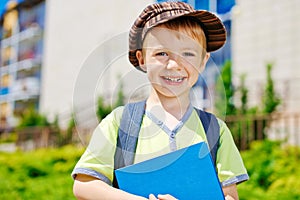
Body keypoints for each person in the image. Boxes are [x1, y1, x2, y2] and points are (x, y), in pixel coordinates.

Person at [72, 2, 249, 200]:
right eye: (161, 53)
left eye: (188, 54)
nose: (174, 65)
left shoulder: (216, 130)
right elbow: (84, 185)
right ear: (142, 59)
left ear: (203, 60)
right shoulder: (120, 122)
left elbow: (230, 195)